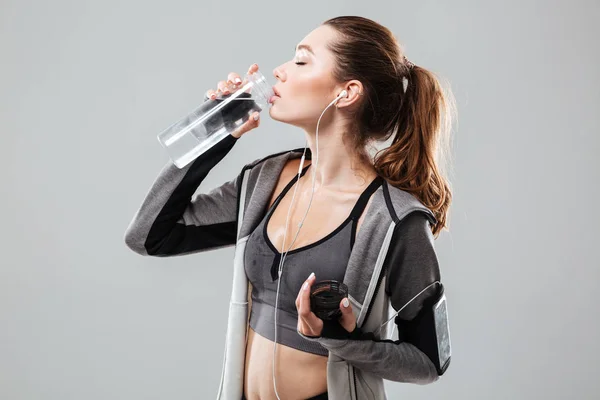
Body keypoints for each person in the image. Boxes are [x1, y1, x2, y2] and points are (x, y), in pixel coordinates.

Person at [125, 15, 455, 400]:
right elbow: (149, 237)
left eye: (301, 61)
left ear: (346, 93)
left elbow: (429, 361)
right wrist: (214, 131)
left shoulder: (395, 219)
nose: (279, 71)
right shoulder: (265, 181)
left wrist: (335, 338)